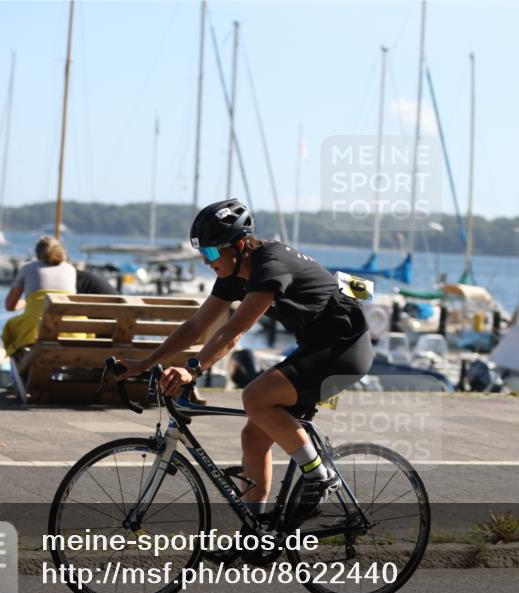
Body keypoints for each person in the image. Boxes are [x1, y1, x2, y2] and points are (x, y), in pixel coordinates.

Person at [116, 198, 373, 527]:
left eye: (211, 252)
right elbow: (196, 325)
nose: (206, 260)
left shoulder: (270, 265)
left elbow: (233, 332)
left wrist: (193, 370)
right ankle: (253, 533)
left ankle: (319, 476)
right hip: (315, 347)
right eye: (202, 252)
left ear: (239, 245)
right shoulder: (234, 272)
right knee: (254, 436)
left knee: (254, 397)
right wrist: (144, 363)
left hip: (345, 349)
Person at [1, 236, 77, 356]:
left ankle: (19, 363)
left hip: (35, 330)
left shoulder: (27, 268)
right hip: (71, 330)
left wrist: (28, 301)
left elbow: (10, 306)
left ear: (37, 254)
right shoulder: (70, 269)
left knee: (11, 328)